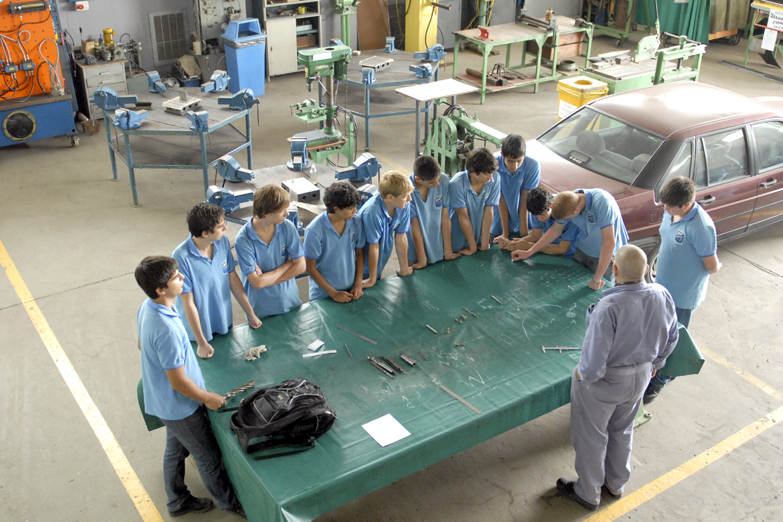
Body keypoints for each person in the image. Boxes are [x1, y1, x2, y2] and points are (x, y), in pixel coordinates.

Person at [557, 245, 679, 511]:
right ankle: (616, 483)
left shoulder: (609, 306)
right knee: (622, 429)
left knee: (592, 434)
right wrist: (656, 363)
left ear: (614, 269)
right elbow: (673, 336)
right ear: (647, 269)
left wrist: (583, 373)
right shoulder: (662, 295)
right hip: (641, 377)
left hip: (606, 383)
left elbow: (595, 357)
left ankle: (588, 492)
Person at [135, 256, 246, 519]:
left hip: (164, 400)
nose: (182, 277)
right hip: (180, 406)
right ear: (161, 289)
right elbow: (178, 382)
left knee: (175, 448)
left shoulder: (148, 306)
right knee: (208, 456)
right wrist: (208, 398)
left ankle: (176, 500)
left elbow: (141, 344)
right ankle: (229, 503)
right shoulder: (166, 330)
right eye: (176, 277)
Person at [644, 176, 721, 404]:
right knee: (658, 335)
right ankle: (659, 370)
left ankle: (660, 381)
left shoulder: (702, 228)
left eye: (669, 206)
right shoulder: (671, 212)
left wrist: (718, 265)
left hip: (683, 296)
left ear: (686, 205)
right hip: (662, 288)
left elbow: (712, 265)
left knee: (673, 339)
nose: (665, 209)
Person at [172, 203, 262, 359]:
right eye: (221, 227)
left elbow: (232, 278)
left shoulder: (222, 242)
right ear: (206, 233)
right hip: (198, 331)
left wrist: (250, 313)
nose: (225, 229)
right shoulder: (181, 257)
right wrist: (200, 342)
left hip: (223, 321)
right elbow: (188, 302)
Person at [512, 188, 629, 290]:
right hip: (583, 249)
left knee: (600, 293)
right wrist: (529, 252)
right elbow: (555, 230)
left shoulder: (602, 202)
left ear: (577, 210)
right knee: (575, 286)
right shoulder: (567, 201)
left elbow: (609, 242)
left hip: (607, 256)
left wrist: (597, 279)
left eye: (568, 219)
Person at [234, 185, 305, 317]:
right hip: (261, 310)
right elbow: (257, 283)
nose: (287, 213)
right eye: (282, 210)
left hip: (291, 302)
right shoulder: (243, 240)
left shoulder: (287, 227)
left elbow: (301, 266)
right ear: (266, 213)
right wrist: (288, 264)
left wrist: (266, 280)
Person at [304, 182, 366, 302]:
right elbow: (310, 268)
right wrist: (333, 293)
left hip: (350, 290)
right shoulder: (314, 230)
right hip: (323, 295)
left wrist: (358, 284)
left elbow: (359, 253)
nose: (355, 211)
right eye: (350, 208)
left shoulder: (356, 222)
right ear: (336, 209)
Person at [357, 170, 415, 288]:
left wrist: (404, 268)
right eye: (405, 196)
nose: (410, 199)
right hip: (361, 264)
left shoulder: (403, 205)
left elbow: (401, 236)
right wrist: (372, 279)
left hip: (379, 261)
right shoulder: (372, 212)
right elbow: (374, 246)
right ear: (390, 197)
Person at [406, 155, 459, 268]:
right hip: (415, 249)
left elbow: (445, 217)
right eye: (432, 183)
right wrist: (421, 259)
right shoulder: (406, 191)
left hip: (437, 245)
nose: (437, 184)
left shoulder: (443, 180)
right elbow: (414, 225)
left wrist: (448, 250)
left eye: (437, 179)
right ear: (418, 179)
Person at [495, 187, 578, 257]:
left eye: (542, 215)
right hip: (548, 251)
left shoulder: (568, 214)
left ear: (551, 205)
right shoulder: (536, 208)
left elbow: (562, 249)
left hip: (571, 256)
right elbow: (535, 236)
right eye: (536, 216)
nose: (540, 219)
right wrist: (511, 244)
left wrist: (528, 246)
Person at [449, 148, 501, 255]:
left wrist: (485, 243)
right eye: (486, 173)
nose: (490, 177)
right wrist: (472, 248)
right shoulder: (457, 184)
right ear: (472, 170)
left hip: (479, 236)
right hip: (458, 238)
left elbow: (489, 211)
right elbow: (463, 217)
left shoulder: (495, 178)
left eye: (491, 173)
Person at [489, 134, 540, 240]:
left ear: (524, 156)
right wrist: (505, 233)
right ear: (502, 155)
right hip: (499, 216)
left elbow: (525, 199)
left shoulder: (533, 166)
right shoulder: (493, 166)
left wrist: (524, 232)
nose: (514, 166)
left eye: (519, 161)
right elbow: (500, 200)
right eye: (510, 161)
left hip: (524, 216)